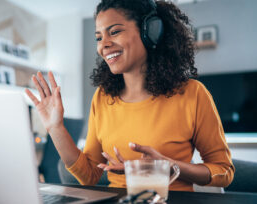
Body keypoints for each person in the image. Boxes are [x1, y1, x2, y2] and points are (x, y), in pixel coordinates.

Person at [25, 0, 234, 192]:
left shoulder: (192, 93)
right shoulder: (102, 97)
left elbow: (224, 171)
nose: (103, 45)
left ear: (151, 32)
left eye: (114, 32)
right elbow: (89, 175)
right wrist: (55, 128)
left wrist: (169, 167)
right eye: (98, 37)